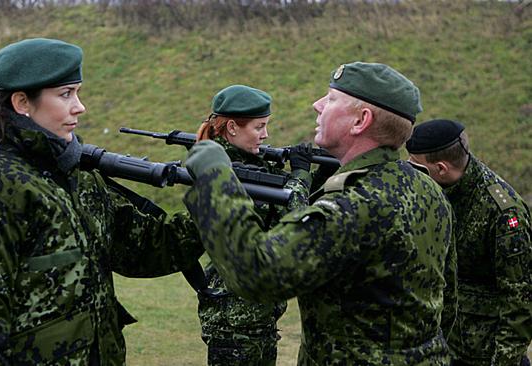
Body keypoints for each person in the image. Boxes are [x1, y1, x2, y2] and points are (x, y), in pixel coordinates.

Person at [0, 38, 203, 365]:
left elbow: (150, 249)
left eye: (77, 92)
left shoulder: (79, 177)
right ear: (22, 102)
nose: (79, 106)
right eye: (66, 94)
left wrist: (218, 207)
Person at [182, 61, 458, 365]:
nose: (317, 105)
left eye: (331, 99)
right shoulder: (427, 188)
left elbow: (256, 272)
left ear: (360, 121)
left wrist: (213, 177)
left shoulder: (353, 205)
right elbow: (447, 301)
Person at [194, 84, 312, 365]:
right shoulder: (223, 171)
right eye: (259, 126)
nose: (266, 134)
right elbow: (293, 219)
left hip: (254, 316)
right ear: (233, 127)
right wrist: (301, 175)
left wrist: (314, 177)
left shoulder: (247, 162)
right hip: (235, 321)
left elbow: (290, 202)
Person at [406, 119, 532, 365]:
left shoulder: (502, 212)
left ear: (441, 168)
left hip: (484, 354)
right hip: (442, 347)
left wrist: (504, 362)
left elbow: (520, 298)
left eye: (416, 166)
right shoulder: (432, 192)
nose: (410, 172)